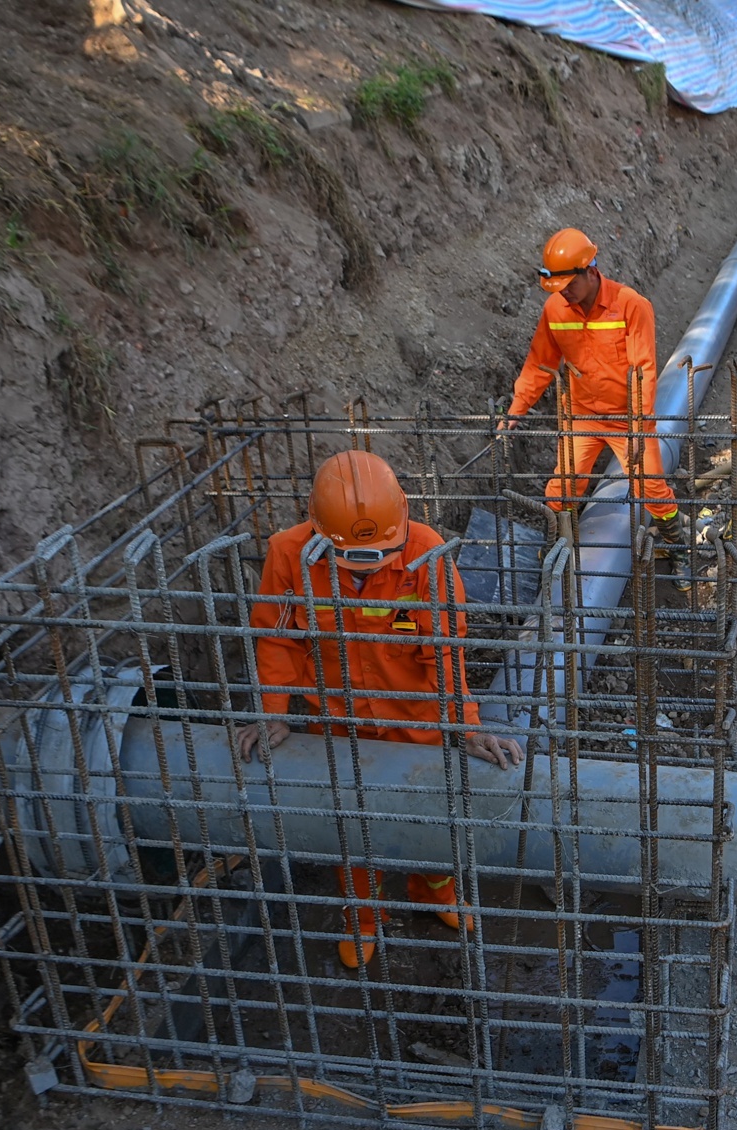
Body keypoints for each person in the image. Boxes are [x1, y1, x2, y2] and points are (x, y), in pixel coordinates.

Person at [234, 449, 525, 967]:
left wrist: (464, 726)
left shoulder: (427, 555)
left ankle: (433, 889)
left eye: (378, 555)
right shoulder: (287, 554)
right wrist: (274, 711)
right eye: (353, 558)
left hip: (414, 717)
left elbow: (444, 650)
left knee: (431, 813)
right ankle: (363, 915)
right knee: (353, 821)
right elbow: (277, 639)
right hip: (336, 721)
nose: (368, 566)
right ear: (319, 531)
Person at [499, 228, 683, 541]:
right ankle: (561, 547)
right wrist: (517, 410)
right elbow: (539, 364)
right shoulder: (555, 310)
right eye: (557, 287)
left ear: (590, 271)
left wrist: (639, 426)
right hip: (582, 415)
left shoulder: (630, 305)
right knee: (561, 489)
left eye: (569, 284)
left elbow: (643, 370)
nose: (564, 293)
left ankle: (676, 546)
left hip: (627, 418)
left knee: (649, 486)